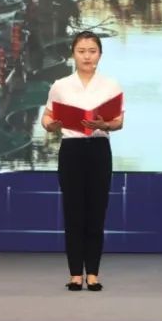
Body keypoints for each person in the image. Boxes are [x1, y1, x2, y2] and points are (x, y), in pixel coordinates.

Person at [42, 31, 124, 292]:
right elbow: (47, 117)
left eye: (92, 51)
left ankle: (94, 274)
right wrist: (51, 125)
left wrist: (104, 124)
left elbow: (119, 121)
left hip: (99, 148)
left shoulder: (111, 85)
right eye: (81, 51)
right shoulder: (60, 85)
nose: (87, 56)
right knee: (73, 212)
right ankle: (76, 274)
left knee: (96, 212)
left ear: (100, 54)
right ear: (73, 54)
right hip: (72, 150)